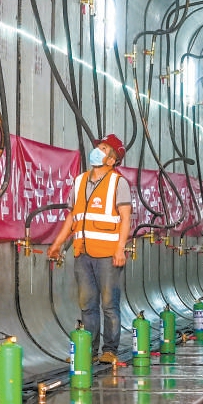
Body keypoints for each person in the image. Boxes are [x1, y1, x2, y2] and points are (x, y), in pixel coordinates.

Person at [47, 134, 132, 364]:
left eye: (104, 148)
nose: (98, 150)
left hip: (108, 254)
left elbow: (125, 219)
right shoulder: (80, 181)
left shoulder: (118, 183)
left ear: (112, 160)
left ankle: (110, 350)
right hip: (82, 252)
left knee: (109, 304)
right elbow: (72, 217)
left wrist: (120, 249)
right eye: (99, 146)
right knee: (87, 304)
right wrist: (58, 244)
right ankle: (89, 350)